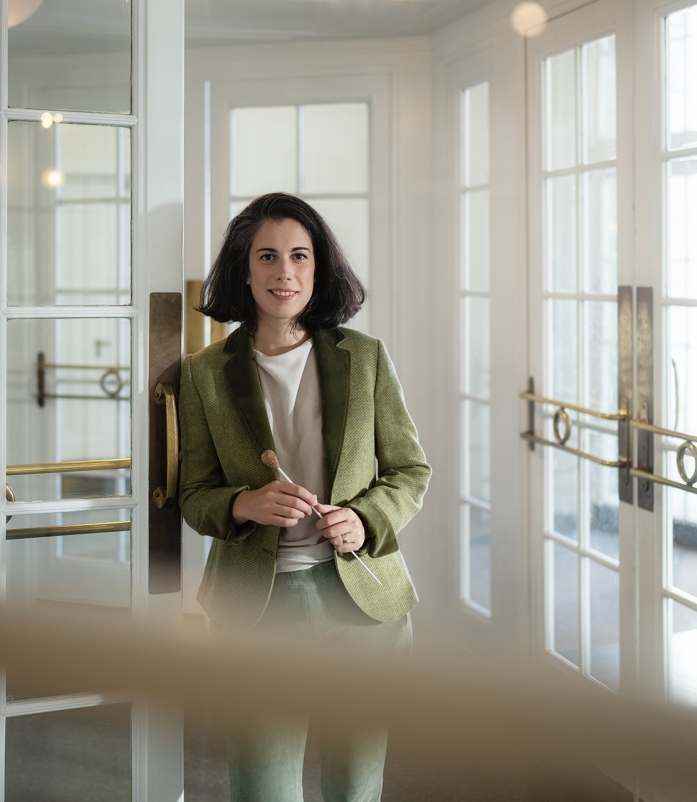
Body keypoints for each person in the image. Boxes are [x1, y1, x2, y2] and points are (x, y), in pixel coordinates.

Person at [178, 192, 431, 802]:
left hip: (361, 603)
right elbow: (192, 494)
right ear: (245, 270)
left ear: (319, 270)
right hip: (258, 610)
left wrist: (365, 520)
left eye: (299, 256)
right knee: (262, 788)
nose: (284, 272)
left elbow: (408, 470)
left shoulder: (364, 357)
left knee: (355, 786)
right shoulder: (204, 373)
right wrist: (244, 504)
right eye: (267, 257)